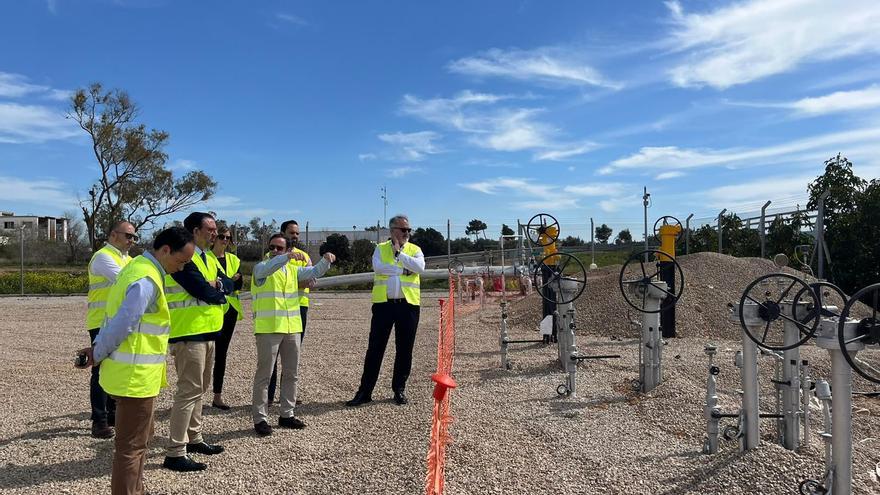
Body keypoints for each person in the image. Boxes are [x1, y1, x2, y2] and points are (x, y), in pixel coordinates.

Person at [77, 226, 195, 495]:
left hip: (133, 375)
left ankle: (137, 490)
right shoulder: (146, 278)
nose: (182, 268)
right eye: (181, 261)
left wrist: (96, 347)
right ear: (165, 250)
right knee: (130, 449)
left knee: (138, 443)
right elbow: (123, 323)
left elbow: (118, 320)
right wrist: (97, 352)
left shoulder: (138, 268)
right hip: (135, 378)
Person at [163, 212, 233, 472]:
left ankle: (194, 438)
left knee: (199, 389)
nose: (215, 233)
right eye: (211, 229)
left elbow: (228, 285)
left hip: (208, 332)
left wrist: (217, 286)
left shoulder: (208, 258)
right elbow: (202, 291)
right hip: (188, 334)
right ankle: (175, 451)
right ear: (194, 230)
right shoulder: (185, 258)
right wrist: (213, 288)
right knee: (188, 392)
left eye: (216, 229)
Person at [251, 234, 335, 436]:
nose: (275, 251)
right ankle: (260, 418)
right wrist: (285, 257)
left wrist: (326, 260)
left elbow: (314, 271)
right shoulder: (261, 268)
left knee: (291, 373)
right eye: (272, 247)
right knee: (264, 375)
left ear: (287, 249)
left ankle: (287, 414)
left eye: (280, 248)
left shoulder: (293, 270)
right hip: (268, 328)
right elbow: (271, 266)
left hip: (292, 328)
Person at [347, 214, 425, 407]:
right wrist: (403, 268)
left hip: (408, 306)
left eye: (408, 230)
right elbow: (378, 268)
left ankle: (399, 389)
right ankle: (365, 391)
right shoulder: (380, 249)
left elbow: (420, 267)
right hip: (384, 305)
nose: (407, 233)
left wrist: (400, 255)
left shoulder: (415, 249)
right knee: (375, 348)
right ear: (392, 231)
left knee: (404, 349)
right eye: (403, 229)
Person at [85, 221, 138, 438]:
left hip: (117, 321)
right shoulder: (103, 257)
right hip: (100, 322)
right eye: (128, 236)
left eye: (134, 237)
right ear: (113, 235)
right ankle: (99, 420)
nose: (132, 241)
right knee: (99, 370)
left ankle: (112, 412)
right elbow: (127, 281)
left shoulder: (129, 259)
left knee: (116, 366)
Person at [268, 220, 313, 404]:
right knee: (272, 356)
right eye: (291, 233)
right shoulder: (274, 253)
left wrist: (301, 281)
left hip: (299, 307)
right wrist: (299, 281)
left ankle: (287, 396)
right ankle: (268, 397)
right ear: (283, 233)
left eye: (297, 233)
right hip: (277, 308)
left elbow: (311, 279)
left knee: (291, 355)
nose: (295, 236)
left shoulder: (303, 255)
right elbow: (271, 277)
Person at [207, 224, 243, 410]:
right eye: (221, 237)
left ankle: (217, 395)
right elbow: (211, 285)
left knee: (222, 353)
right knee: (205, 353)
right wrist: (229, 281)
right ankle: (196, 394)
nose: (224, 240)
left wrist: (222, 282)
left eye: (228, 238)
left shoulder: (234, 259)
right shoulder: (205, 257)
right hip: (211, 309)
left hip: (229, 310)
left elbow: (239, 284)